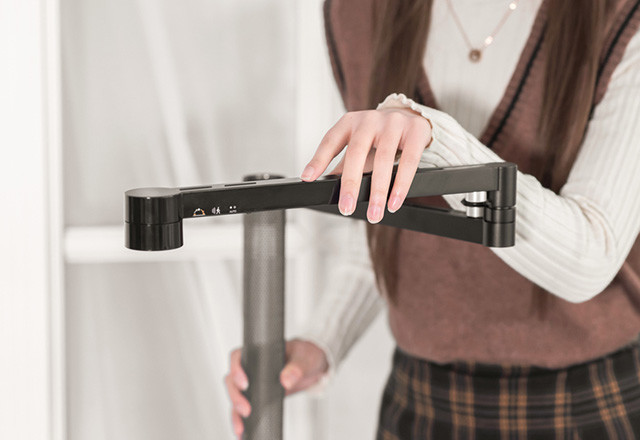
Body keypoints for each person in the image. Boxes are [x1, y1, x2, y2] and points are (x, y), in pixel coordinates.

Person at [226, 0, 640, 438]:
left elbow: (589, 259)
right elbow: (382, 223)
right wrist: (322, 341)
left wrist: (436, 141)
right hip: (419, 403)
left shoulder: (621, 17)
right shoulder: (358, 13)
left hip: (585, 404)